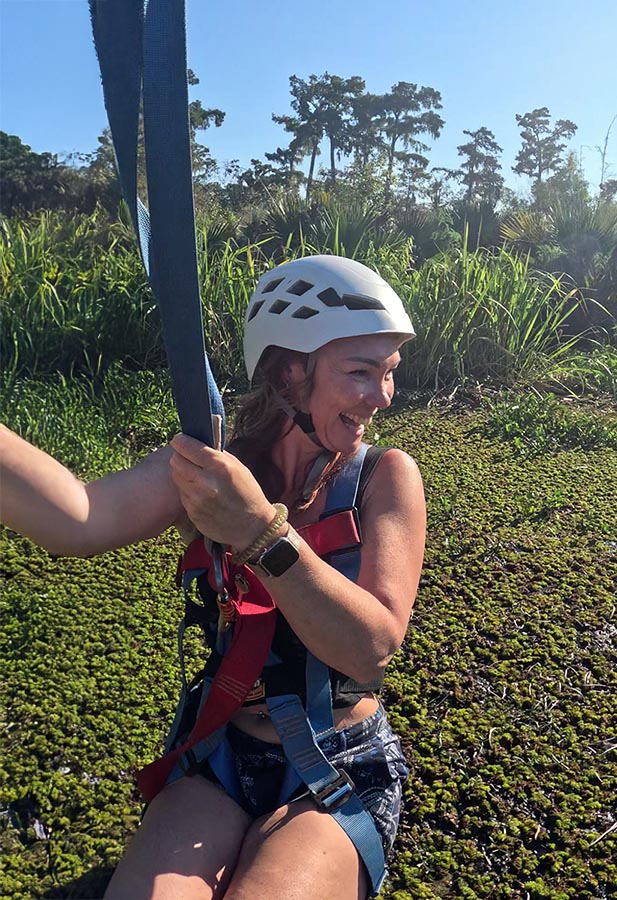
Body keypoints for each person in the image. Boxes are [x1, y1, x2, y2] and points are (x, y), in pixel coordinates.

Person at [0, 254, 427, 899]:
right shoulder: (216, 469)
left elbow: (371, 644)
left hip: (340, 762)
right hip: (221, 755)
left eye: (388, 372)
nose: (382, 396)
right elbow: (80, 520)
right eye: (360, 372)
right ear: (291, 372)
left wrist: (261, 532)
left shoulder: (384, 477)